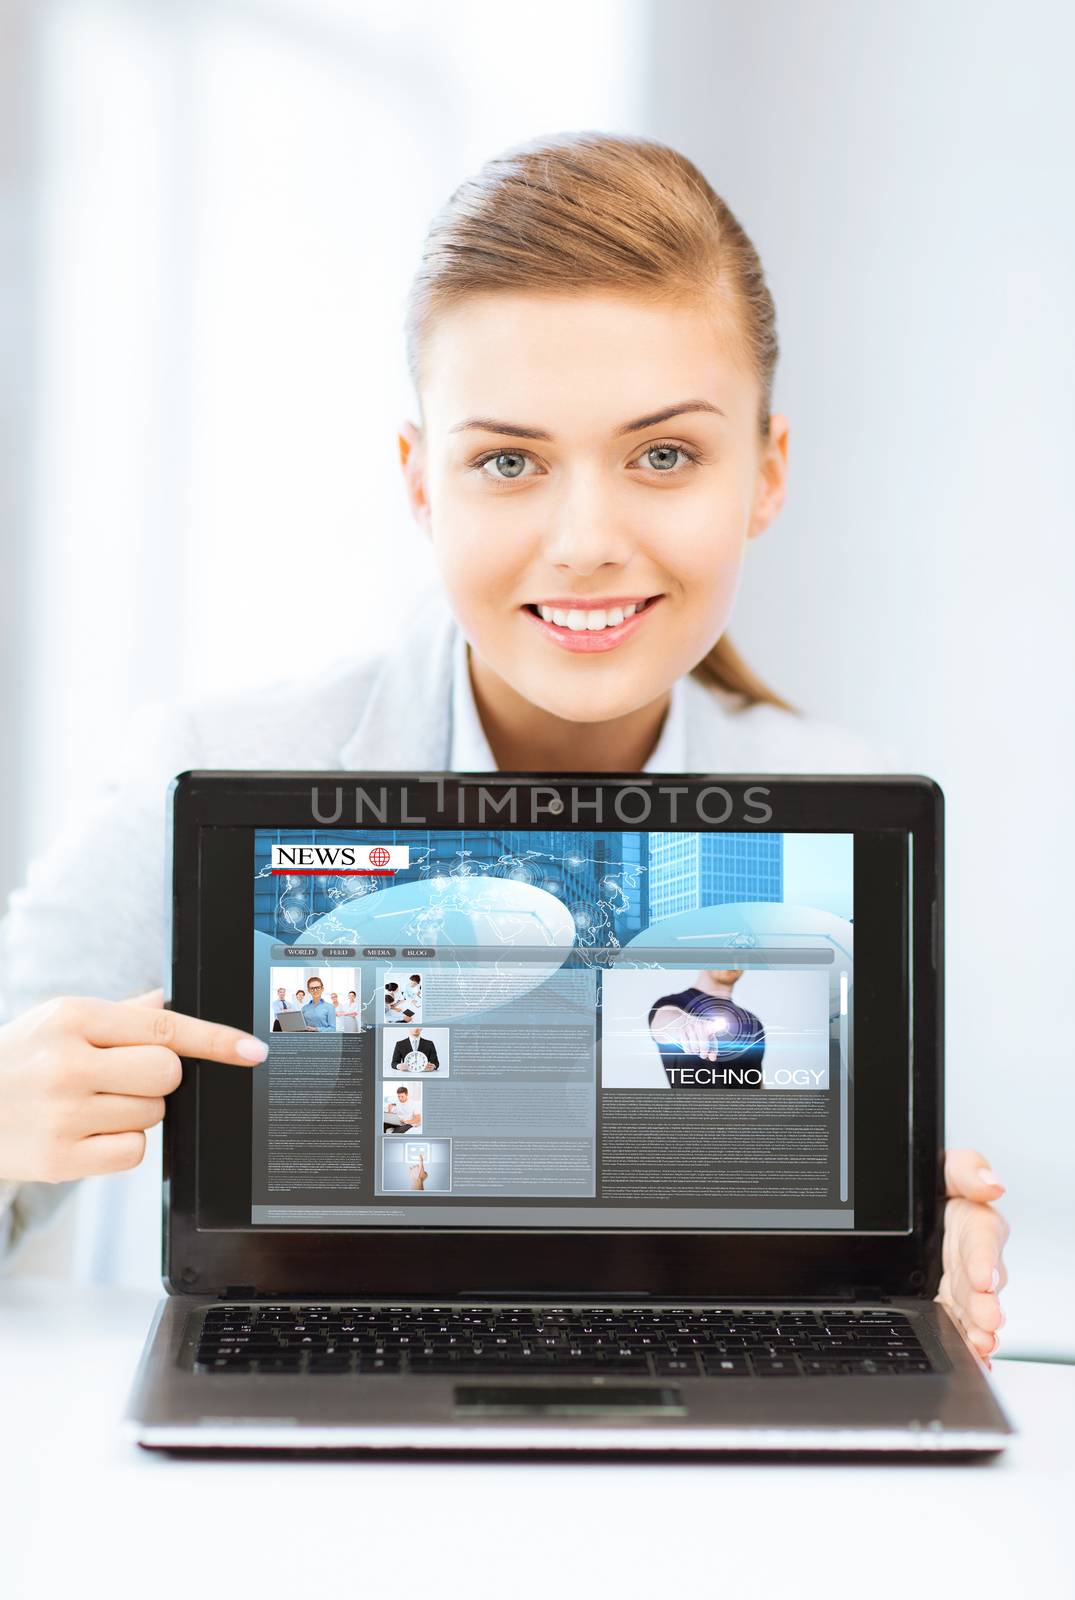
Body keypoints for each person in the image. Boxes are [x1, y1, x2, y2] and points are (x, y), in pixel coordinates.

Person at [0, 132, 1006, 1367]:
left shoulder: (853, 810)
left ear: (765, 474)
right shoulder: (202, 768)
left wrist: (907, 1258)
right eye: (509, 460)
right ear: (423, 483)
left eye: (664, 454)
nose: (585, 539)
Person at [649, 969, 765, 1085]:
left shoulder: (753, 1023)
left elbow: (757, 1083)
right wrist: (686, 1025)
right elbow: (664, 1023)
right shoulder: (673, 1004)